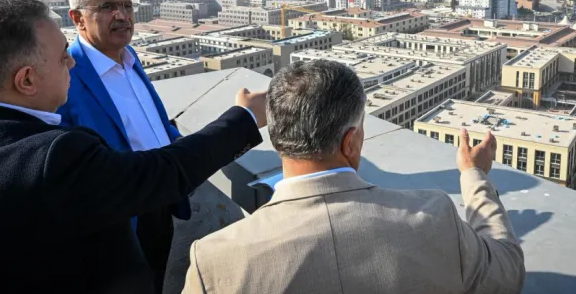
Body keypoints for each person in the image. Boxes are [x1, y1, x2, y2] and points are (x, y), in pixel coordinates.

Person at [0, 0, 265, 294]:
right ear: (26, 79)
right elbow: (162, 175)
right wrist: (244, 118)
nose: (72, 62)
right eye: (63, 56)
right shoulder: (50, 160)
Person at [183, 60, 525, 294]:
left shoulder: (214, 260)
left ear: (277, 138)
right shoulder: (433, 216)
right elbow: (507, 272)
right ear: (351, 141)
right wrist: (474, 177)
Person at [58, 0, 231, 291]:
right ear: (77, 18)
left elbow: (152, 120)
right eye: (108, 7)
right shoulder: (67, 75)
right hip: (117, 223)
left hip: (159, 205)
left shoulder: (129, 56)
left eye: (126, 6)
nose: (122, 16)